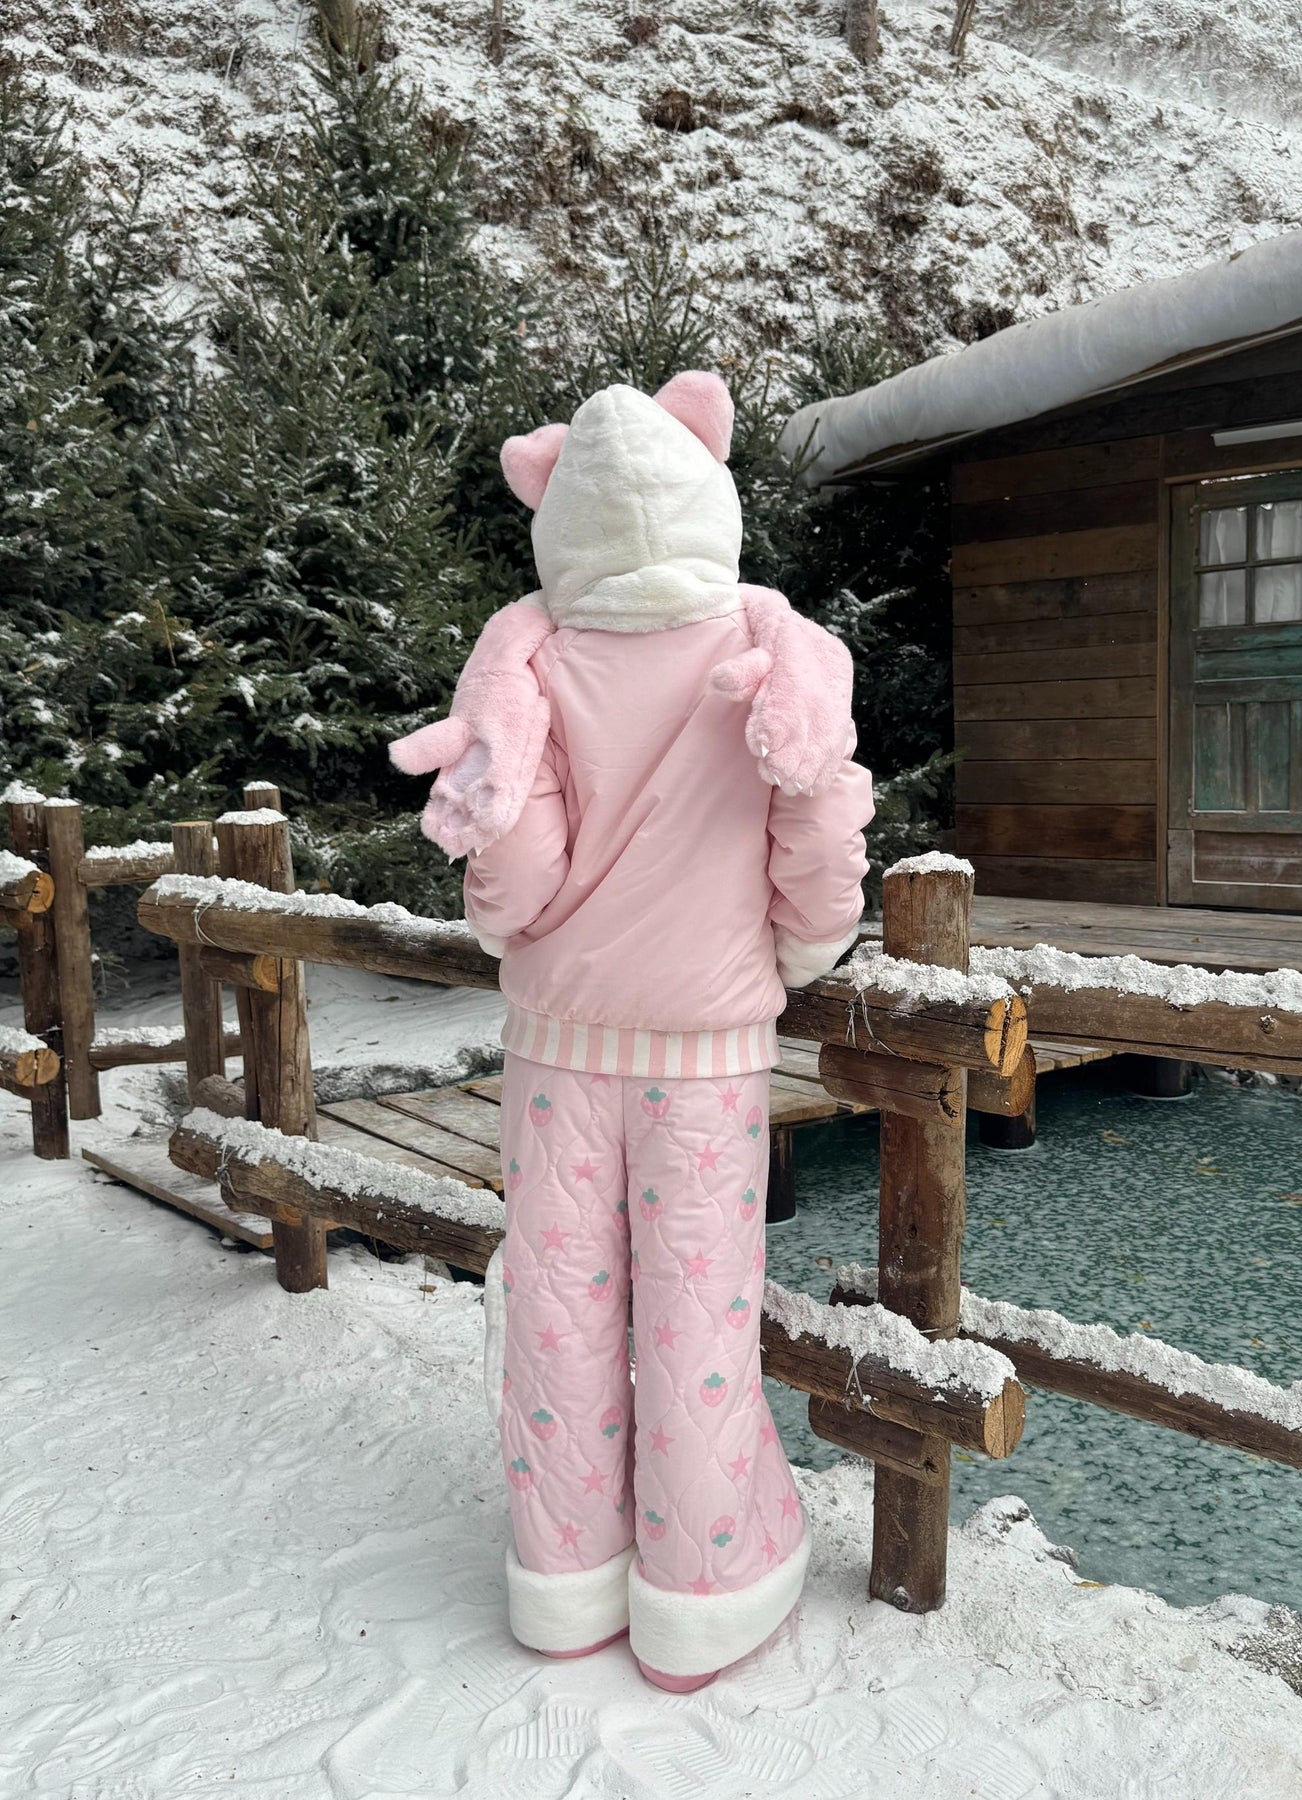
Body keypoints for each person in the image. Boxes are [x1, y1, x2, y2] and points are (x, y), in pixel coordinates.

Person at [390, 371, 873, 1692]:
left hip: (557, 1044)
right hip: (706, 1049)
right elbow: (818, 833)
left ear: (561, 512)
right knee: (696, 1319)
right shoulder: (773, 644)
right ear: (706, 490)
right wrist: (799, 952)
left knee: (556, 1309)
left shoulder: (530, 657)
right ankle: (700, 1587)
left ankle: (562, 1580)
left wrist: (514, 937)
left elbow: (514, 873)